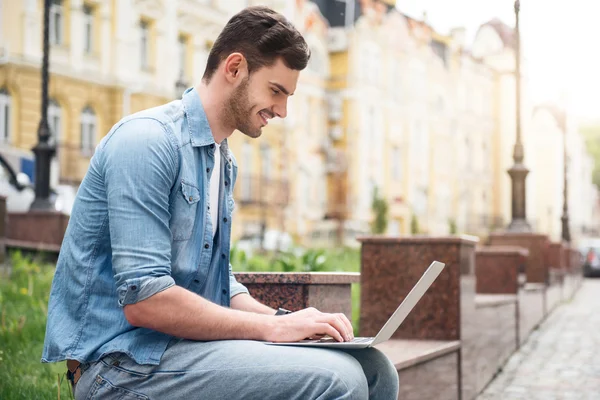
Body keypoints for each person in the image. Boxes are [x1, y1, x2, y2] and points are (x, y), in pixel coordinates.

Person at [42, 6, 399, 399]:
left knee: (375, 370)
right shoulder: (146, 142)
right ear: (234, 68)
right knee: (339, 380)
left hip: (177, 352)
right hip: (120, 366)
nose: (281, 111)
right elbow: (145, 301)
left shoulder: (220, 161)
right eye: (276, 91)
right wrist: (272, 330)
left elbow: (217, 283)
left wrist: (287, 319)